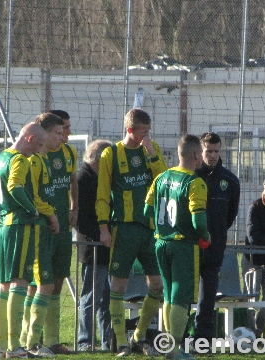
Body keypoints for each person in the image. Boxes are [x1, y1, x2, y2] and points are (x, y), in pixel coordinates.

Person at [96, 108, 167, 356]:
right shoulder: (111, 154)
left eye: (148, 132)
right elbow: (103, 194)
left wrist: (152, 155)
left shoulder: (153, 150)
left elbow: (164, 182)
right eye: (142, 133)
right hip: (123, 229)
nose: (146, 137)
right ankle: (121, 342)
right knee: (119, 285)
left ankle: (139, 335)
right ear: (130, 130)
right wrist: (104, 228)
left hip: (150, 229)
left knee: (157, 284)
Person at [0, 122, 49, 358]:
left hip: (4, 225)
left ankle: (2, 347)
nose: (38, 151)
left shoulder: (2, 156)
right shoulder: (20, 159)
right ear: (30, 139)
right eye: (39, 145)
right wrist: (32, 209)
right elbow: (15, 186)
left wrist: (3, 204)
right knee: (20, 283)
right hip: (20, 225)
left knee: (3, 286)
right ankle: (14, 348)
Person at [145, 134, 209, 360]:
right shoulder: (195, 182)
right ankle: (173, 350)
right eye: (201, 153)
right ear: (194, 155)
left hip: (161, 243)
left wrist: (163, 227)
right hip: (184, 244)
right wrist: (206, 235)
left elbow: (147, 211)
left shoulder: (161, 177)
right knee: (181, 297)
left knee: (169, 297)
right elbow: (198, 221)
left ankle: (169, 347)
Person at [27, 110, 78, 355]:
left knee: (56, 282)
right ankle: (29, 340)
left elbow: (72, 181)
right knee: (37, 284)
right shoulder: (35, 156)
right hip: (42, 227)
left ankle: (52, 340)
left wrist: (74, 206)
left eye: (66, 129)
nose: (66, 133)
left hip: (62, 228)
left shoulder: (69, 152)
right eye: (62, 129)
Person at [13, 113, 62, 357]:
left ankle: (26, 341)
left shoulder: (41, 160)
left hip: (41, 229)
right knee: (44, 285)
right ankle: (29, 343)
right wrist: (51, 214)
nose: (61, 139)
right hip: (35, 228)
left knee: (36, 287)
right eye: (58, 133)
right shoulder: (31, 162)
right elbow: (33, 197)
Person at [193, 132, 240, 344]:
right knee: (183, 292)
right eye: (208, 151)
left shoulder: (229, 180)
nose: (212, 155)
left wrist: (217, 233)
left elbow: (231, 214)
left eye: (216, 151)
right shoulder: (191, 175)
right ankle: (179, 335)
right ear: (200, 151)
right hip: (190, 244)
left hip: (214, 246)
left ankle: (203, 337)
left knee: (208, 293)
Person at [76, 139, 113, 352]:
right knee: (91, 296)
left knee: (106, 298)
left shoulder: (99, 179)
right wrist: (100, 233)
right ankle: (84, 341)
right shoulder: (83, 179)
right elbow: (81, 217)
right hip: (92, 247)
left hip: (104, 246)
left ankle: (107, 341)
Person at [242, 172, 265, 338]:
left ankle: (258, 328)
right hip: (253, 260)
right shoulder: (255, 207)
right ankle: (250, 333)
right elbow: (253, 237)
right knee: (251, 300)